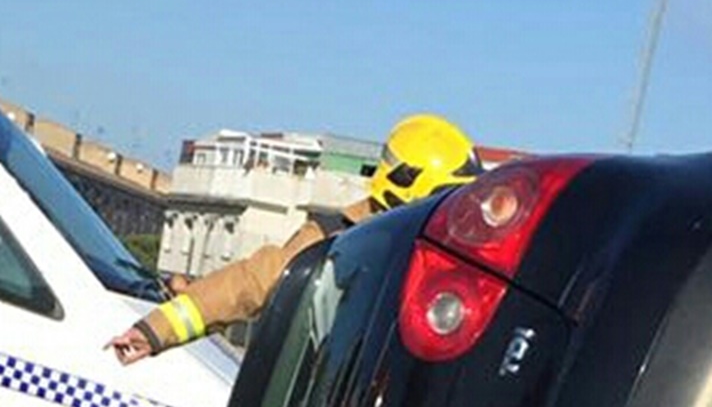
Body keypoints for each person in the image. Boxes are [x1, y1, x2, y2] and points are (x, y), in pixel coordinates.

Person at [107, 114, 483, 364]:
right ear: (411, 187)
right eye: (449, 196)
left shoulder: (470, 262)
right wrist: (153, 331)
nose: (458, 213)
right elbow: (251, 283)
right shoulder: (337, 240)